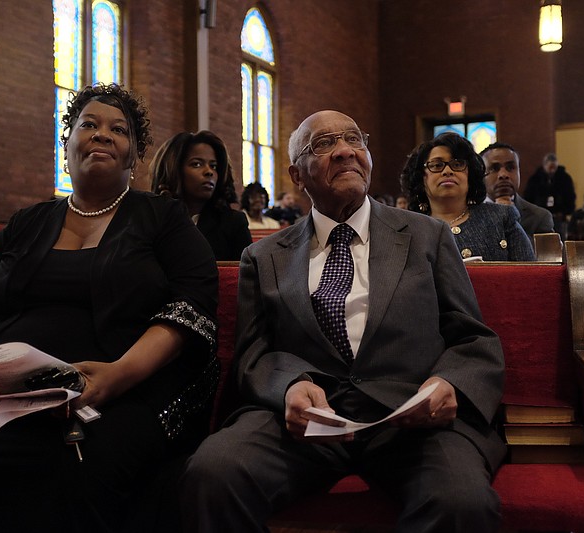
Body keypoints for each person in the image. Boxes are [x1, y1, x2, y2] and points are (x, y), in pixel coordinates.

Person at [0, 84, 220, 533]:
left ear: (132, 156)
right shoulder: (27, 222)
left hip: (116, 393)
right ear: (67, 146)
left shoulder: (164, 218)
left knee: (74, 477)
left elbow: (192, 303)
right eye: (88, 124)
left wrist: (117, 374)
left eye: (118, 130)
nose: (102, 134)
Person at [180, 110, 506, 532]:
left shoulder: (427, 236)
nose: (346, 151)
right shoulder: (263, 256)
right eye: (324, 144)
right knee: (212, 475)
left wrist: (449, 384)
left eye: (354, 139)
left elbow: (472, 338)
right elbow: (254, 354)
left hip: (410, 419)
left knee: (462, 502)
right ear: (297, 175)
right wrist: (291, 385)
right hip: (304, 423)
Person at [401, 132, 535, 261]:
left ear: (470, 175)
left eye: (457, 165)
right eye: (437, 165)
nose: (447, 171)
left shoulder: (501, 218)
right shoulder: (408, 229)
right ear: (421, 177)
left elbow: (530, 276)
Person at [150, 130, 252, 261]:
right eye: (196, 164)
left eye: (213, 166)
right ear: (174, 169)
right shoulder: (152, 220)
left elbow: (246, 276)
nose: (209, 171)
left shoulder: (233, 222)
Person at [480, 142, 555, 241]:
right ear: (481, 174)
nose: (503, 174)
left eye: (510, 168)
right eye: (494, 168)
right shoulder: (468, 214)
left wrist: (511, 220)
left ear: (519, 171)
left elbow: (544, 255)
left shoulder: (539, 217)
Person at [523, 152, 576, 237]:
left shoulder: (564, 178)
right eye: (550, 167)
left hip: (559, 217)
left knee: (560, 240)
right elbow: (529, 197)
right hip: (539, 217)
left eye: (554, 168)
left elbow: (570, 197)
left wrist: (565, 211)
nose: (552, 170)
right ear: (544, 166)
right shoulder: (535, 179)